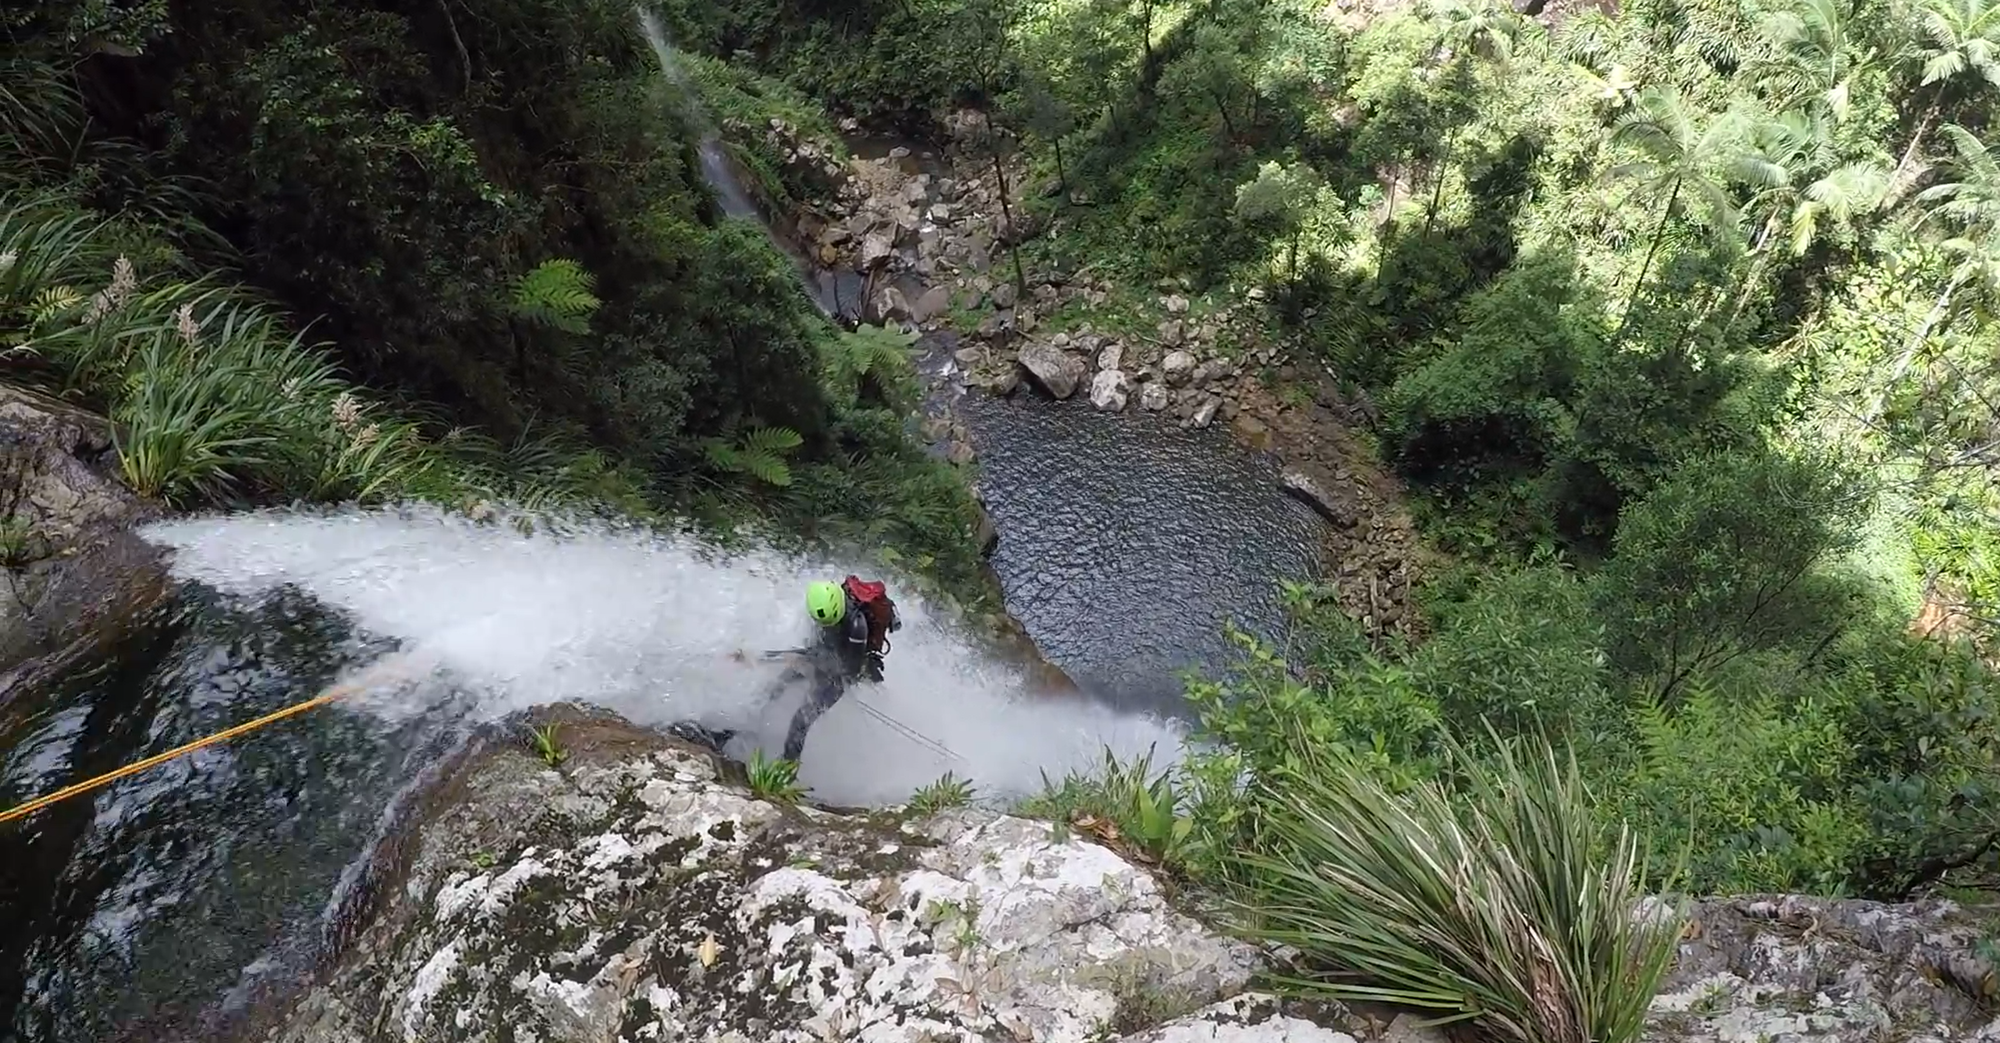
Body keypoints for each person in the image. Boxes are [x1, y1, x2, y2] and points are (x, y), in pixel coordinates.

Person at [780, 575, 900, 761]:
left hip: (840, 676)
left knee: (802, 719)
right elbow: (816, 643)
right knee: (775, 685)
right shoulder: (820, 603)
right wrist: (806, 659)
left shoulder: (857, 626)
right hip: (822, 657)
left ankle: (784, 772)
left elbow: (850, 672)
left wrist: (817, 666)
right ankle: (741, 731)